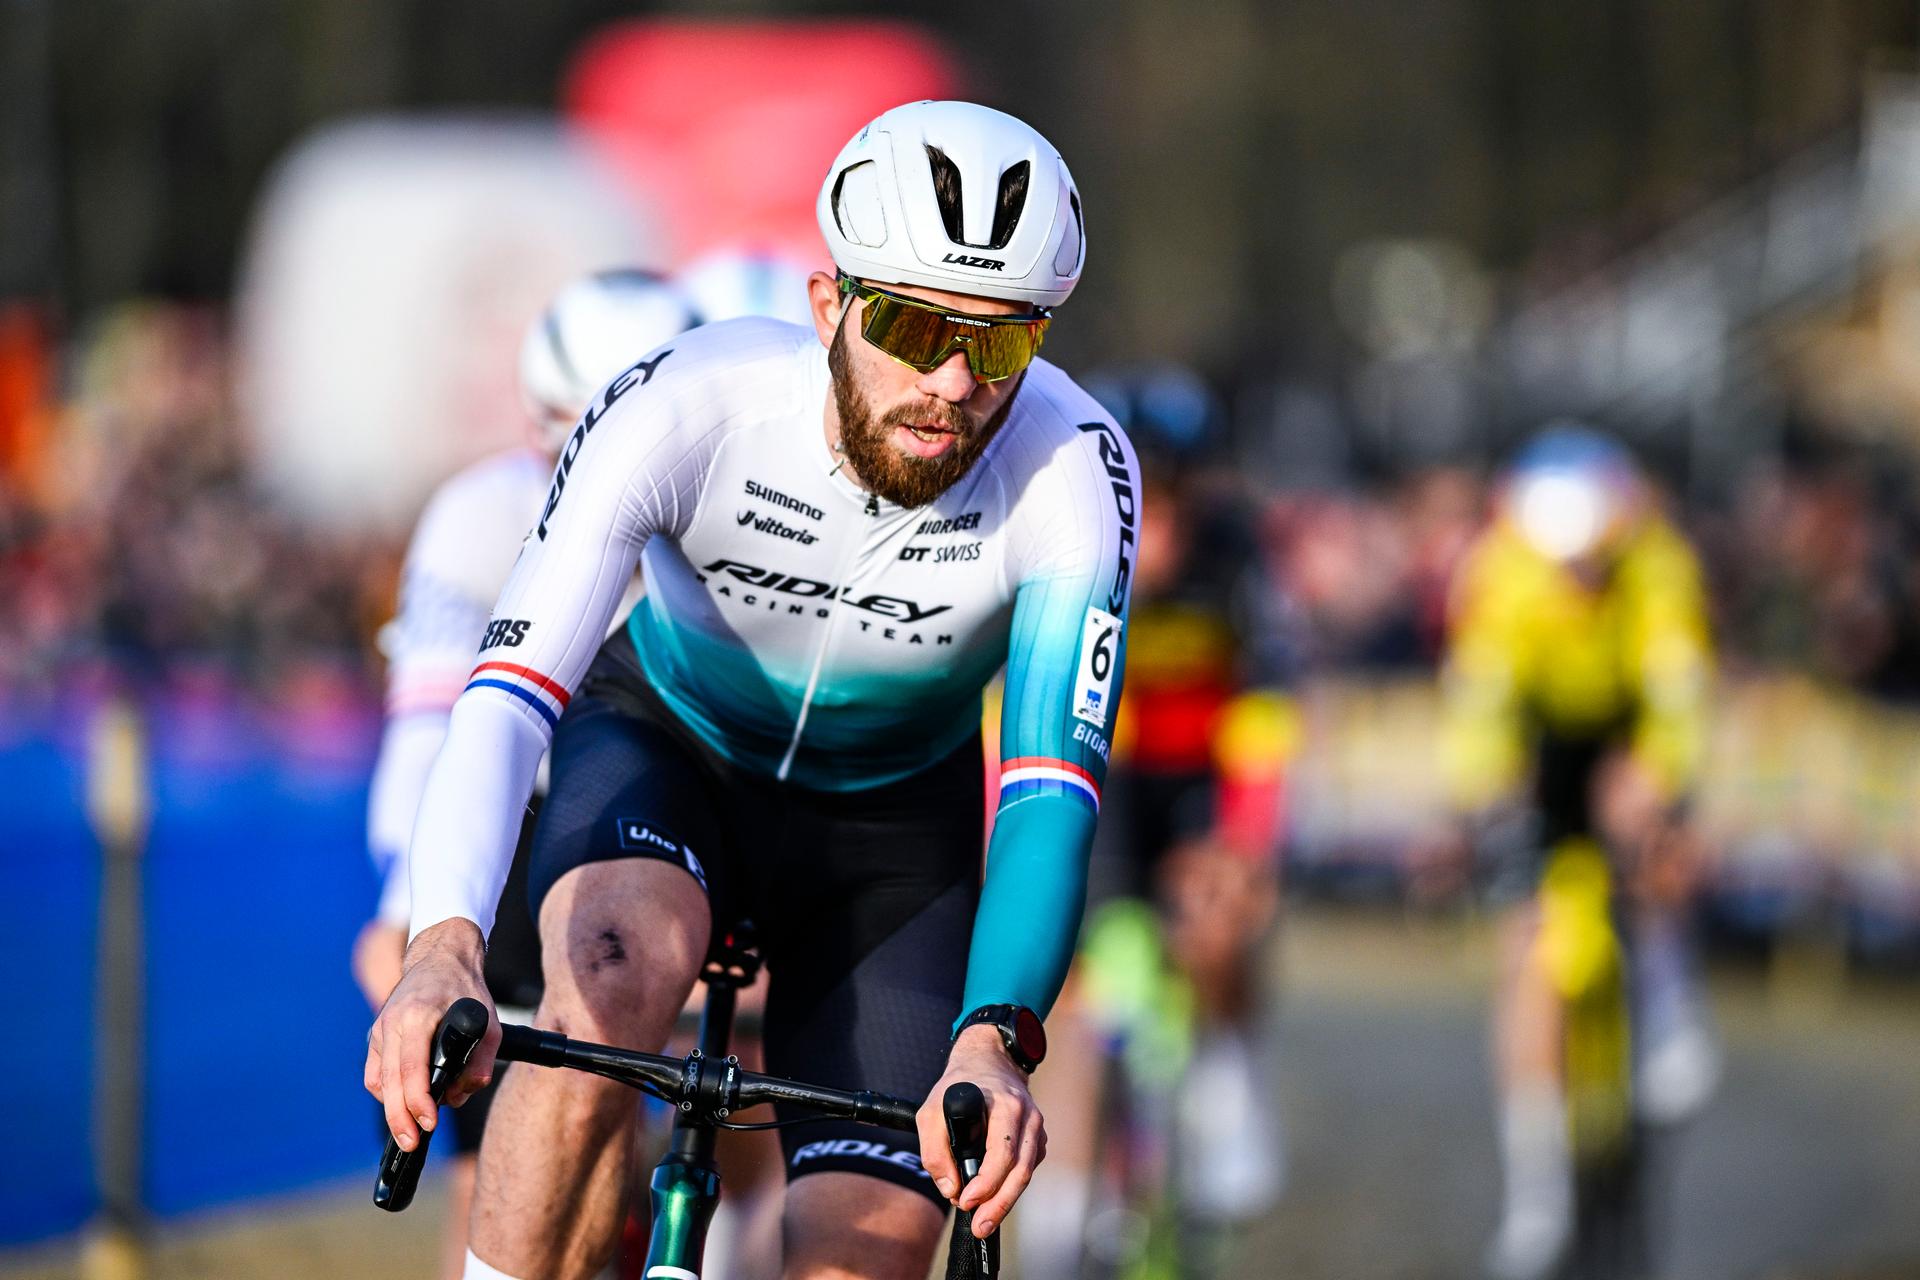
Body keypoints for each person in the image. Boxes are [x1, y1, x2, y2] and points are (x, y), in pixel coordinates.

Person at [364, 100, 1136, 1280]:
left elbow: (1047, 793)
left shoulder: (1075, 471)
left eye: (997, 345)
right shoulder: (687, 402)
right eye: (911, 325)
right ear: (829, 306)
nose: (949, 383)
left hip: (890, 833)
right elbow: (510, 690)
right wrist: (443, 940)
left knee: (862, 1251)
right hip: (671, 748)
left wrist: (994, 1038)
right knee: (609, 976)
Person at [353, 268, 700, 1280]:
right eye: (568, 433)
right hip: (527, 815)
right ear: (534, 417)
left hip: (678, 810)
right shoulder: (479, 512)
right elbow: (431, 731)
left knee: (747, 1120)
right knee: (500, 1176)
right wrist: (413, 921)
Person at [1022, 363, 1297, 1276]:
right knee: (1081, 991)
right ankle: (1061, 1214)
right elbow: (1017, 719)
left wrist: (1243, 847)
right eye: (1146, 497)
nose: (1164, 525)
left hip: (1202, 773)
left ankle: (1227, 1076)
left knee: (1222, 921)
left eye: (1179, 498)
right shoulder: (1074, 542)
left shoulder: (1236, 555)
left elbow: (1266, 714)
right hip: (1105, 767)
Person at [1437, 426, 1716, 1280]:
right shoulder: (1500, 571)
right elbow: (1480, 704)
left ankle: (1666, 981)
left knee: (1661, 841)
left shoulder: (1659, 563)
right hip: (1545, 747)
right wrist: (1490, 789)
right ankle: (1537, 1188)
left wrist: (1659, 778)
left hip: (1626, 730)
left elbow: (1679, 695)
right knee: (1528, 954)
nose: (1579, 578)